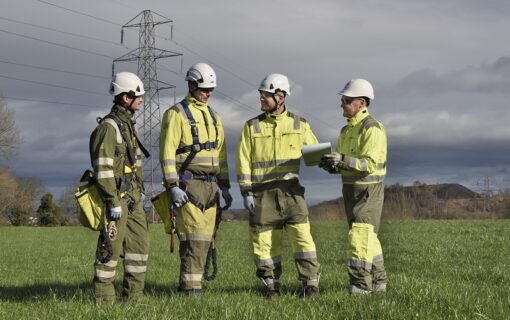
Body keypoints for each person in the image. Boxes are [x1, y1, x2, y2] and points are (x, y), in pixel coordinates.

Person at [237, 73, 321, 298]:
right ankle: (270, 286)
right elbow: (243, 160)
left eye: (266, 95)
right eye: (261, 95)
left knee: (303, 238)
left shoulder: (299, 124)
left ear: (281, 96)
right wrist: (246, 191)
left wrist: (329, 160)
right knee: (265, 243)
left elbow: (316, 154)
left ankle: (310, 284)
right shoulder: (251, 127)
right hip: (262, 194)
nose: (262, 99)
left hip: (292, 192)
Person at [159, 62, 232, 295]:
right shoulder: (176, 114)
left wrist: (225, 185)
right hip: (188, 185)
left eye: (211, 89)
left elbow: (222, 154)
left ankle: (190, 285)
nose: (207, 93)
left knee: (206, 238)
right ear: (191, 85)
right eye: (203, 89)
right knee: (193, 238)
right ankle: (191, 288)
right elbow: (167, 152)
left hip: (212, 187)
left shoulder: (214, 116)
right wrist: (172, 186)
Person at [319, 78, 387, 294]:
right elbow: (345, 163)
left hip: (368, 192)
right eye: (342, 100)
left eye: (346, 100)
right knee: (369, 240)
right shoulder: (346, 131)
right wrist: (331, 165)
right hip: (351, 192)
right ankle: (378, 284)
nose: (342, 104)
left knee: (359, 239)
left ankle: (360, 289)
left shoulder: (372, 128)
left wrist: (342, 160)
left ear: (361, 103)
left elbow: (369, 164)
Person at [89, 72, 149, 302]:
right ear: (125, 97)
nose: (141, 100)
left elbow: (136, 165)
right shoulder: (109, 127)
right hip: (116, 199)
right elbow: (102, 169)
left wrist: (139, 194)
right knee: (109, 251)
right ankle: (104, 300)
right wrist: (112, 201)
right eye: (138, 96)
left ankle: (134, 298)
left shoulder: (128, 126)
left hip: (133, 199)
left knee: (139, 249)